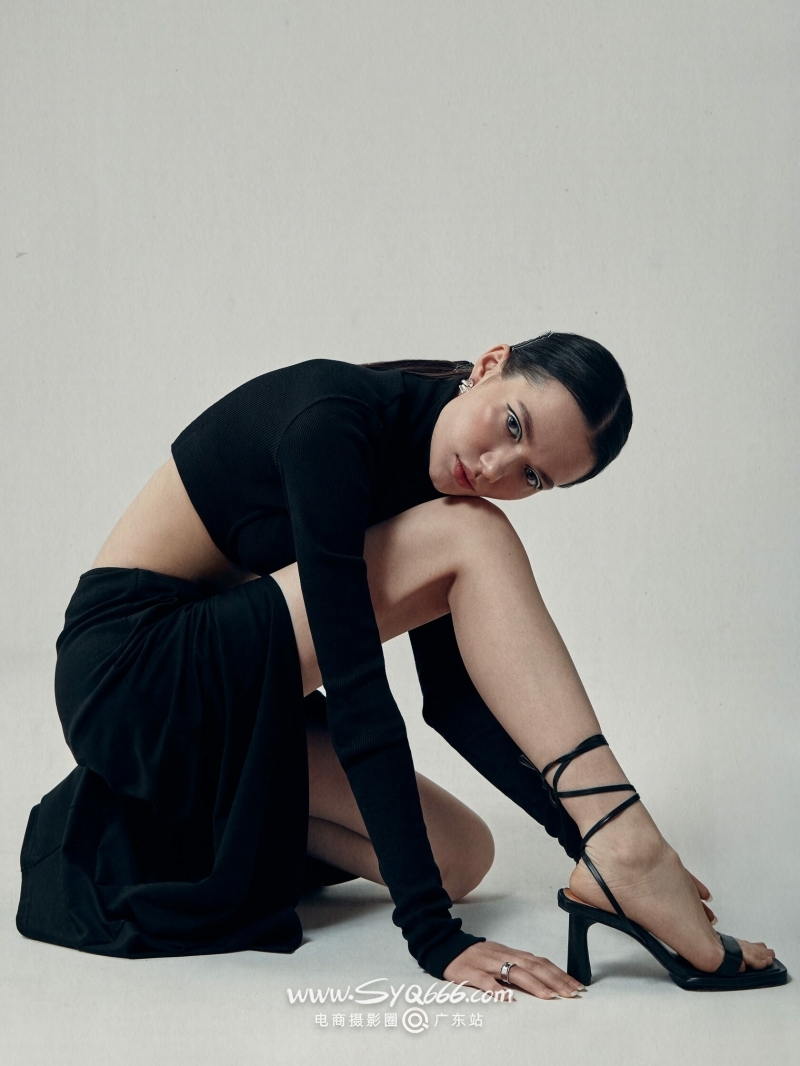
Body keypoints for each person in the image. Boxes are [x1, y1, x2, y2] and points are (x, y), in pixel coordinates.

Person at [16, 333, 785, 997]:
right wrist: (433, 937)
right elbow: (357, 689)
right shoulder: (334, 422)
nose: (496, 468)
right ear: (490, 364)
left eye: (533, 477)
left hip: (229, 704)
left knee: (461, 857)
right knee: (474, 534)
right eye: (512, 425)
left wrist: (574, 840)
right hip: (134, 669)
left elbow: (455, 703)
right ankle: (627, 837)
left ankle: (611, 849)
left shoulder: (429, 481)